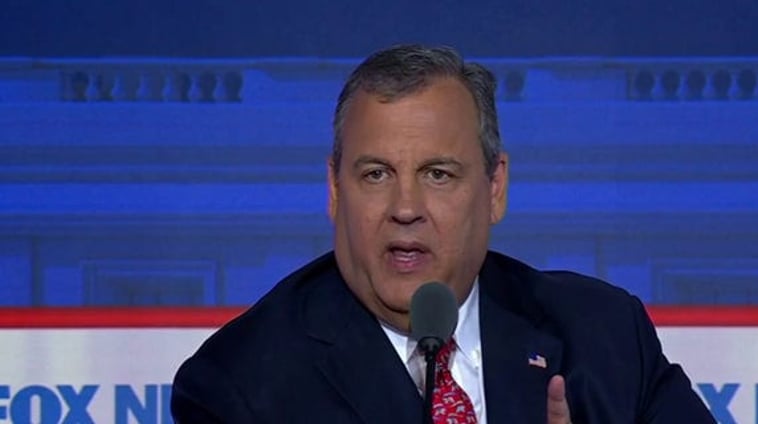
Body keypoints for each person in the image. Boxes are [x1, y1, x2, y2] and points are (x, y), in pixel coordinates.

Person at [170, 44, 716, 423]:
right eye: (375, 174)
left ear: (495, 187)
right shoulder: (238, 387)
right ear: (335, 190)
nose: (405, 208)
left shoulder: (605, 337)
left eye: (438, 174)